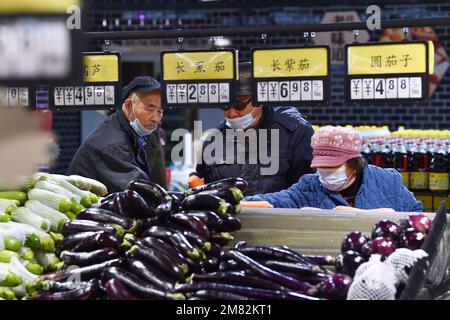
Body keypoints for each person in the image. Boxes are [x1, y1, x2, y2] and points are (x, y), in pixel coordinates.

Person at [195, 62, 314, 196]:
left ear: (260, 99)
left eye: (240, 105)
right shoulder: (214, 140)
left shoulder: (294, 132)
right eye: (225, 106)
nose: (232, 113)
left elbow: (309, 190)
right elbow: (202, 187)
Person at [245, 126, 423, 212]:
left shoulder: (387, 182)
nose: (325, 173)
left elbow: (415, 213)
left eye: (332, 166)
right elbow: (277, 200)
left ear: (354, 164)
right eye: (321, 167)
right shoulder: (309, 186)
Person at [67, 76, 167, 193]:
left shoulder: (129, 132)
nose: (156, 118)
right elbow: (139, 191)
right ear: (129, 106)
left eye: (160, 111)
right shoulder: (113, 146)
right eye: (150, 109)